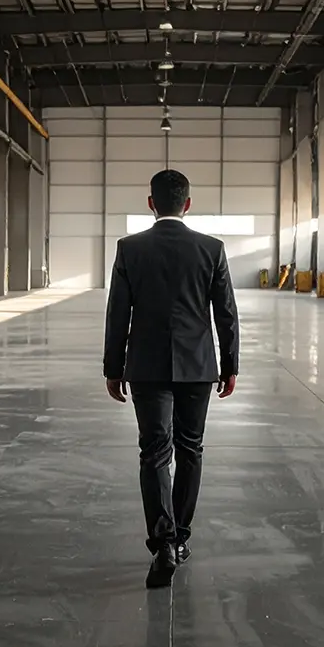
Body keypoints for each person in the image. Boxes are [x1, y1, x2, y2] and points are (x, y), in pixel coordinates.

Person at [104, 169, 240, 589]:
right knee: (190, 448)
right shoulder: (211, 248)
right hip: (198, 367)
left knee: (154, 451)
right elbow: (226, 312)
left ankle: (162, 543)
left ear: (151, 203)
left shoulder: (130, 248)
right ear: (187, 204)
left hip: (146, 366)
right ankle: (181, 538)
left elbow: (117, 313)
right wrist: (229, 364)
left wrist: (113, 367)